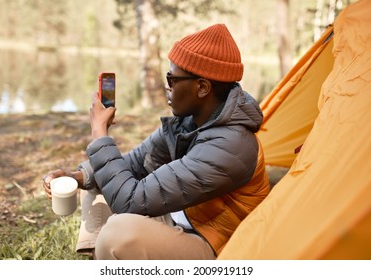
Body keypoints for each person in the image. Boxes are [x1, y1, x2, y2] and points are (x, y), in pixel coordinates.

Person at [43, 23, 271, 260]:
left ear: (202, 87)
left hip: (215, 245)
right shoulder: (191, 121)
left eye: (172, 79)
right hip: (183, 217)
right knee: (99, 183)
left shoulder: (230, 147)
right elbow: (135, 164)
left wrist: (100, 130)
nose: (166, 86)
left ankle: (110, 252)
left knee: (118, 232)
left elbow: (129, 201)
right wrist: (76, 177)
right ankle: (101, 256)